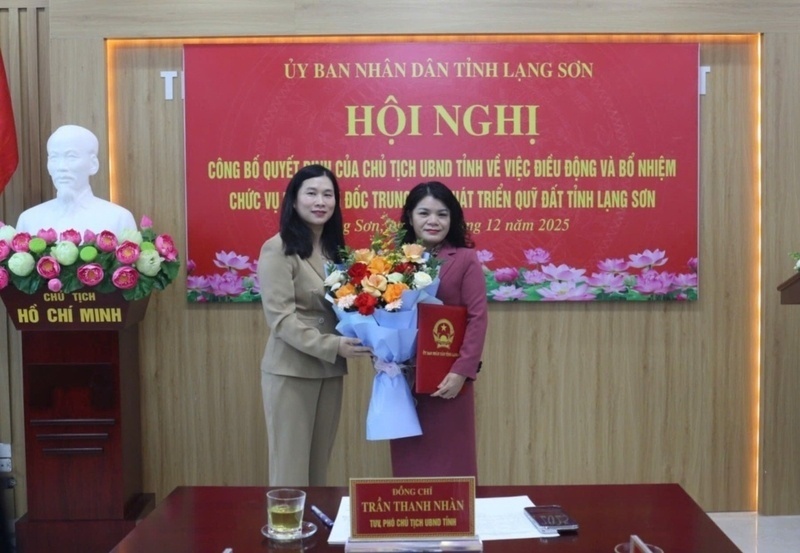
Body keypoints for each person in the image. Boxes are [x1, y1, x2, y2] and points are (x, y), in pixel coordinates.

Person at [257, 164, 371, 486]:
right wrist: (335, 345)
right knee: (290, 472)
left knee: (318, 470)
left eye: (327, 194)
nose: (320, 201)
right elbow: (281, 320)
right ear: (294, 201)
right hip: (291, 371)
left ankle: (312, 534)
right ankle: (287, 534)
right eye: (311, 193)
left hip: (329, 370)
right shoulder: (278, 248)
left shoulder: (336, 251)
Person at [391, 181, 488, 478]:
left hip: (448, 381)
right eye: (424, 213)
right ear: (410, 216)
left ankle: (455, 523)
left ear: (452, 219)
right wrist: (384, 358)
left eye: (442, 214)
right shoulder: (395, 260)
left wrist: (461, 372)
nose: (433, 221)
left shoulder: (465, 259)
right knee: (410, 459)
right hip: (404, 380)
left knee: (451, 463)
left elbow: (478, 317)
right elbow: (385, 314)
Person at [15, 124, 137, 236]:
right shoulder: (29, 220)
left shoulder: (118, 218)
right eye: (54, 158)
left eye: (71, 157)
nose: (61, 167)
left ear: (93, 164)